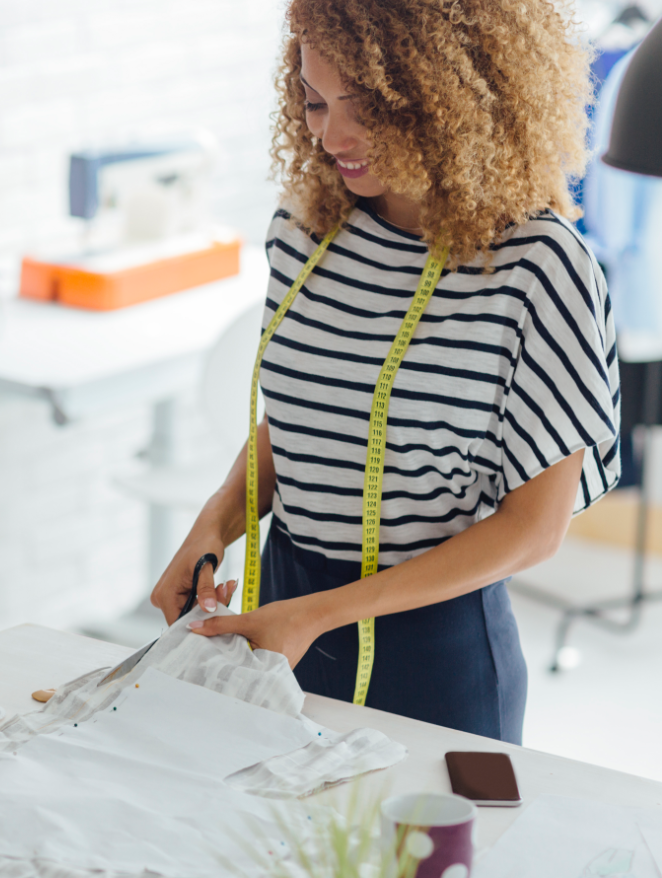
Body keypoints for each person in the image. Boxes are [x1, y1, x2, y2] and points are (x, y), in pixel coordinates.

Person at [151, 0, 620, 745]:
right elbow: (309, 418)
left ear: (452, 93)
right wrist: (214, 524)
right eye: (313, 100)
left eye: (365, 107)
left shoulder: (538, 265)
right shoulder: (305, 234)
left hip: (435, 650)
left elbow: (536, 530)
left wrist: (323, 612)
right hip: (280, 618)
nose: (331, 135)